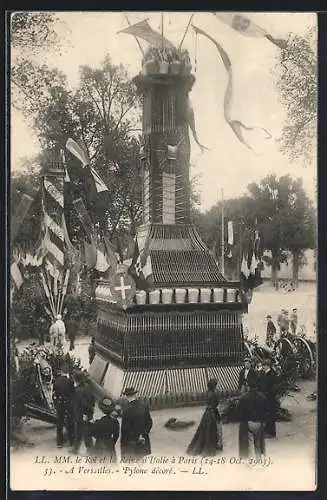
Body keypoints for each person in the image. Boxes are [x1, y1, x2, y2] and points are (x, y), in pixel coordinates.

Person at [186, 378, 223, 456]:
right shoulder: (215, 393)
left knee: (204, 430)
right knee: (215, 428)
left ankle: (204, 445)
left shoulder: (206, 393)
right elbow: (217, 403)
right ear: (214, 386)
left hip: (206, 413)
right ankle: (216, 444)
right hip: (213, 412)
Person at [237, 377, 269, 459]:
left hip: (248, 422)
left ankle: (251, 460)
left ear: (248, 386)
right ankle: (258, 459)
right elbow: (267, 410)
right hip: (259, 422)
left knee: (249, 443)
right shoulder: (263, 396)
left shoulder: (243, 397)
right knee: (258, 442)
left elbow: (238, 412)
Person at [120, 387, 153, 458]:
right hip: (143, 439)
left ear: (126, 396)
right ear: (135, 395)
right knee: (141, 461)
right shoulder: (144, 406)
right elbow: (149, 422)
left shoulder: (126, 410)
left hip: (131, 443)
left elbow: (126, 428)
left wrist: (136, 437)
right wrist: (143, 434)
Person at [72, 371, 95, 454]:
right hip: (86, 414)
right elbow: (92, 400)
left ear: (76, 380)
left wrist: (85, 414)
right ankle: (75, 449)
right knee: (79, 431)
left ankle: (90, 450)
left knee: (85, 432)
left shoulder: (78, 391)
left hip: (82, 415)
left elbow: (83, 404)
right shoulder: (88, 387)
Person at [53, 364, 75, 448]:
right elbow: (73, 394)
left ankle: (59, 442)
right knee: (70, 422)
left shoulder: (56, 381)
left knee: (60, 422)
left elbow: (54, 394)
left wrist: (56, 404)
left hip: (59, 403)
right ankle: (71, 441)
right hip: (68, 404)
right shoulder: (70, 381)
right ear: (68, 372)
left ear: (61, 372)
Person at [259, 358, 278, 438]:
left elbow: (274, 387)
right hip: (264, 397)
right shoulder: (263, 373)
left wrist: (267, 394)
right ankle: (266, 430)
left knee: (271, 414)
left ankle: (272, 432)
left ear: (268, 366)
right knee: (266, 414)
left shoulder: (272, 374)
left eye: (264, 365)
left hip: (270, 398)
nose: (263, 367)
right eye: (263, 365)